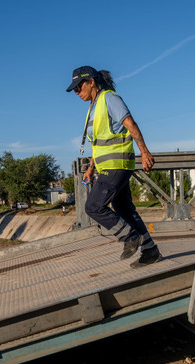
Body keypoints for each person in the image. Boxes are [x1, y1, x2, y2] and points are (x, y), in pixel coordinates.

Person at [66, 65, 161, 268]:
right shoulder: (93, 106)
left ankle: (129, 237)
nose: (76, 92)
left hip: (117, 164)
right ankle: (150, 250)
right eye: (74, 89)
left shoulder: (110, 98)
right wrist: (91, 167)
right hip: (107, 165)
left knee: (93, 206)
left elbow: (131, 125)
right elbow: (98, 143)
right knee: (124, 210)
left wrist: (144, 152)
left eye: (78, 86)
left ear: (91, 81)